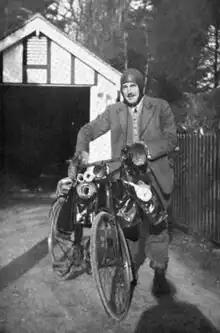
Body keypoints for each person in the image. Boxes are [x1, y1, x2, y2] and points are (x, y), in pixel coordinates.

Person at [55, 68, 177, 295]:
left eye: (133, 86)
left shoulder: (160, 107)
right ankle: (128, 270)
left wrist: (146, 150)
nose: (129, 91)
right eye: (125, 87)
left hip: (154, 175)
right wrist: (82, 150)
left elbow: (171, 138)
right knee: (127, 223)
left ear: (142, 87)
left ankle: (159, 272)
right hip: (124, 175)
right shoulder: (115, 111)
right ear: (121, 89)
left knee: (157, 224)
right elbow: (88, 129)